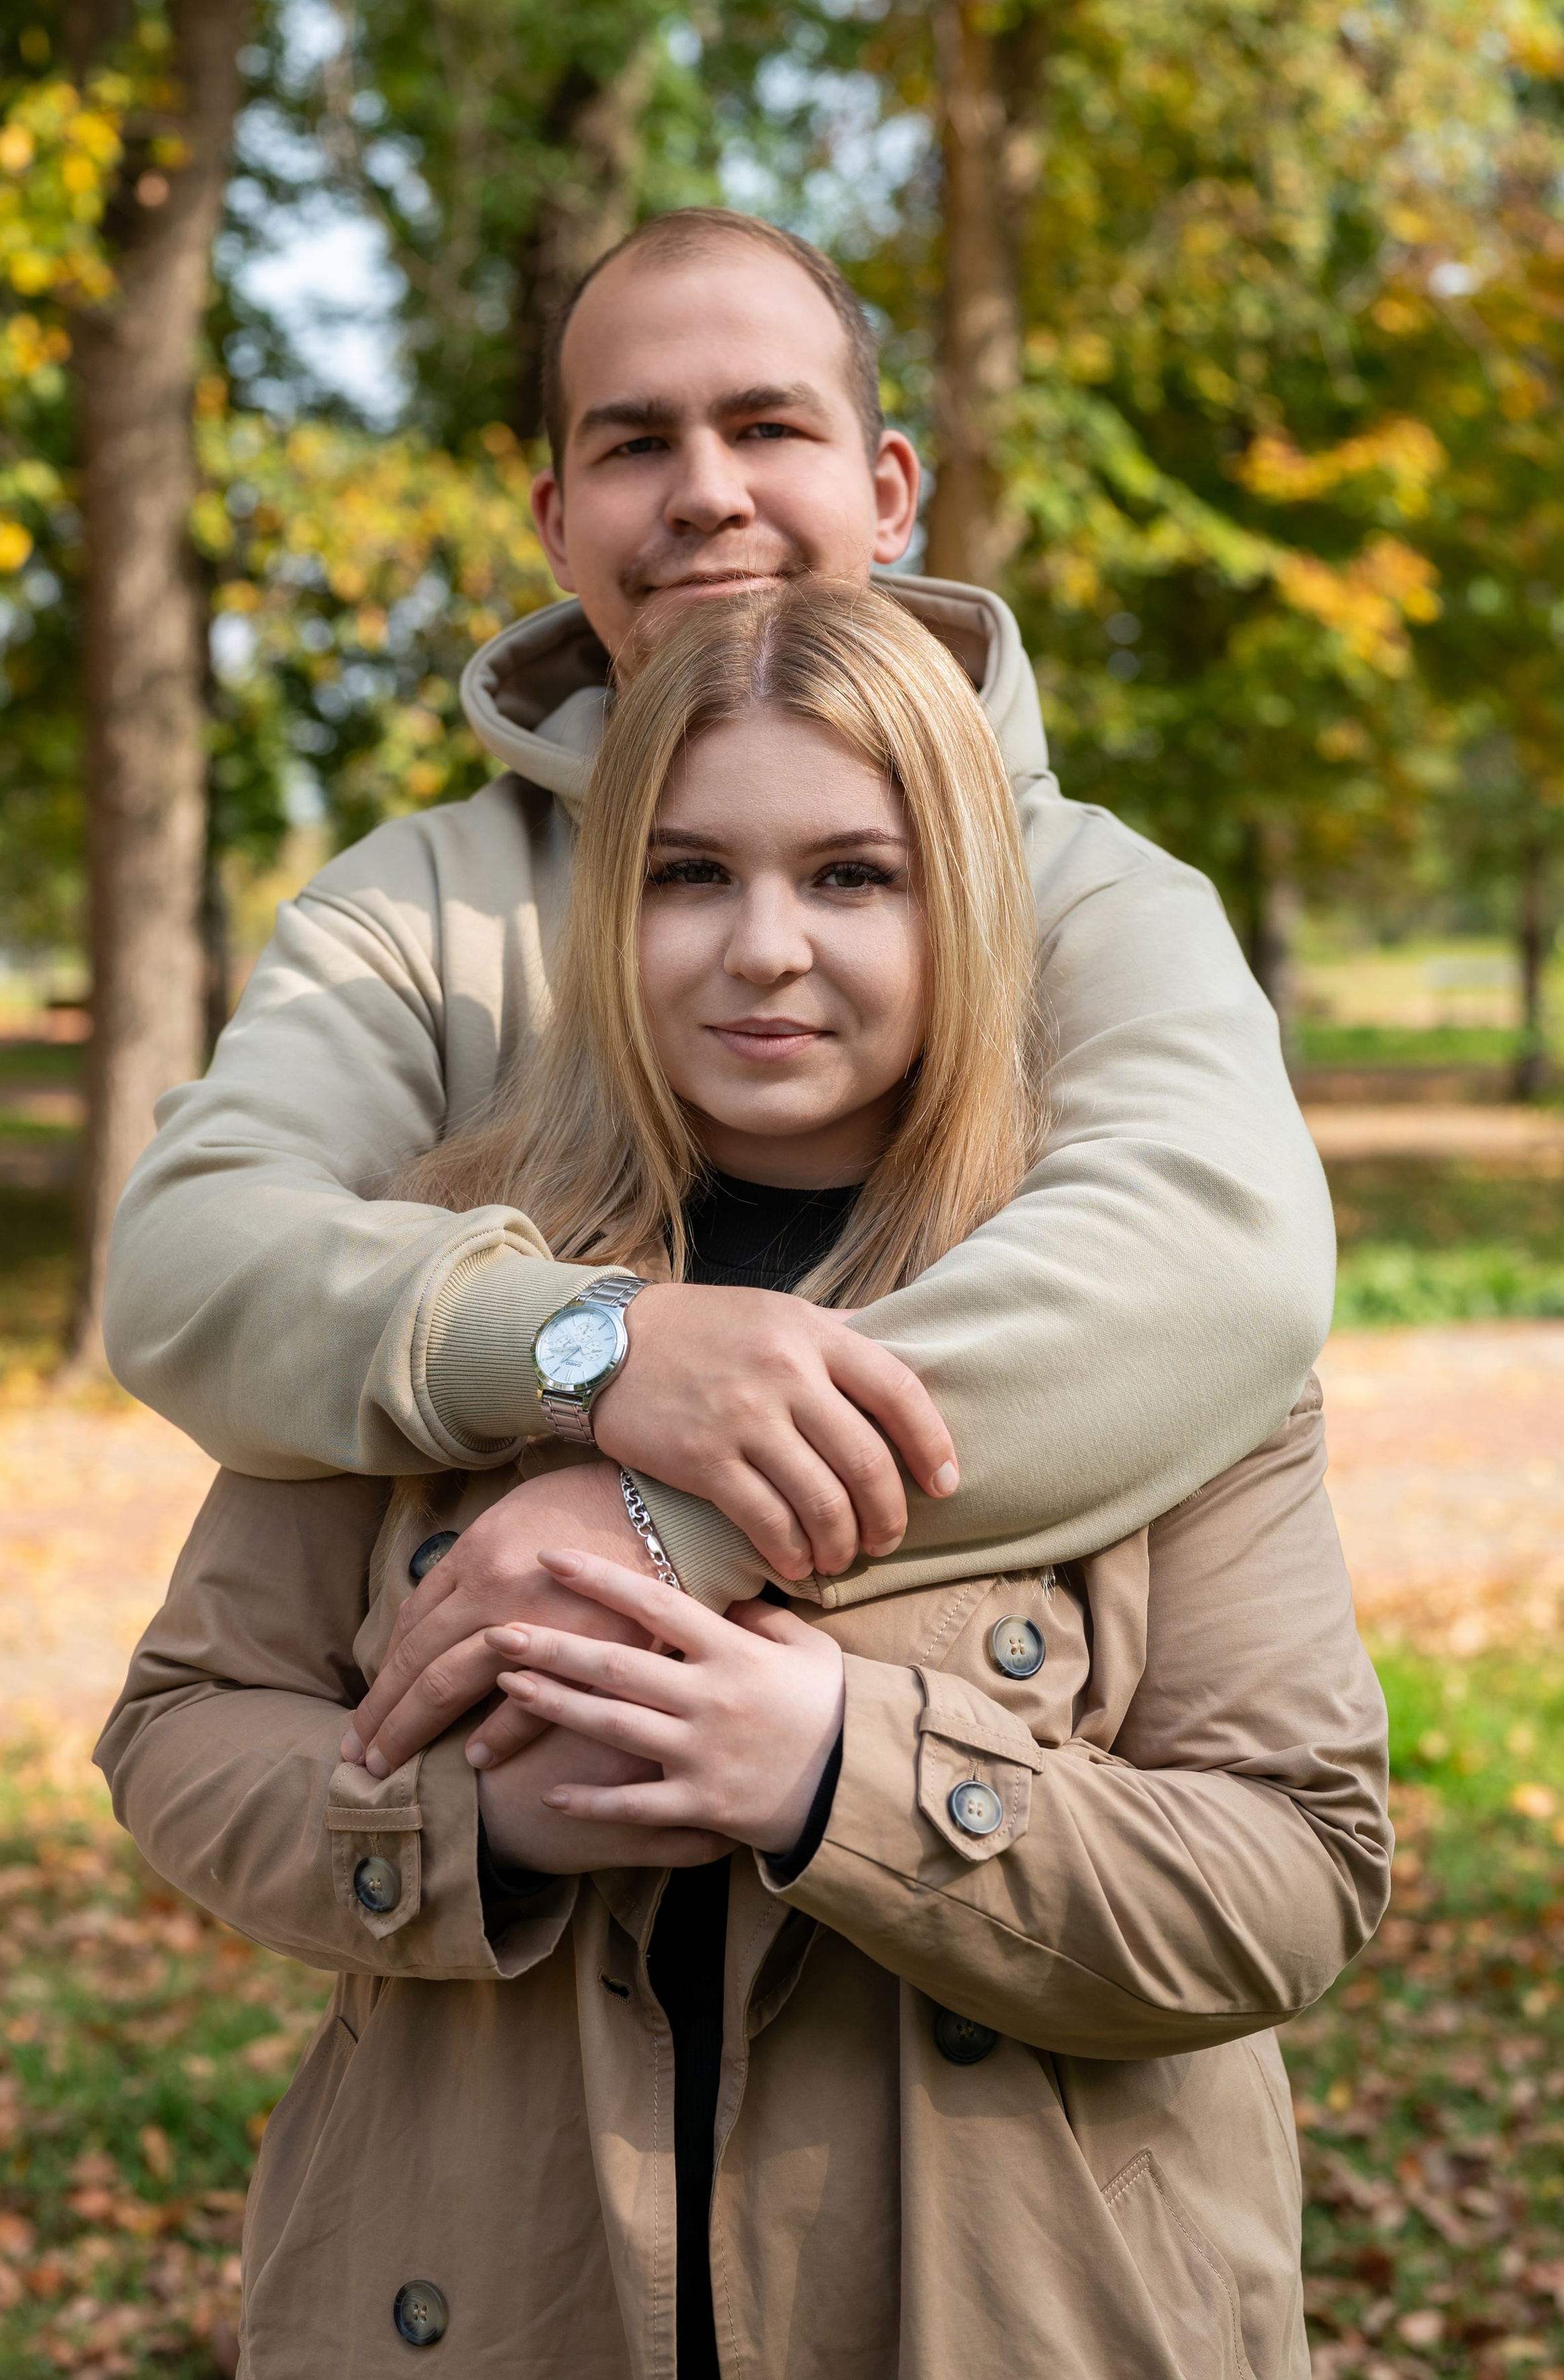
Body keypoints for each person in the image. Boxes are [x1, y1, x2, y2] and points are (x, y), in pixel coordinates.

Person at [98, 583, 1389, 2380]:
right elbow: (183, 1725)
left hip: (1016, 2316)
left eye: (854, 877)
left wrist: (839, 1772)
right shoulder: (444, 1268)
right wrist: (472, 1825)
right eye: (688, 874)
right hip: (487, 2302)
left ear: (968, 900)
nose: (762, 949)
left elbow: (1295, 1869)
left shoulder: (1133, 1306)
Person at [101, 207, 1335, 1675]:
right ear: (557, 521)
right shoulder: (415, 912)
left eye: (766, 427)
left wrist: (667, 1518)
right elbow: (191, 1256)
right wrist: (593, 1347)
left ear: (888, 492)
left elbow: (1215, 1262)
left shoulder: (1091, 894)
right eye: (635, 445)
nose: (705, 493)